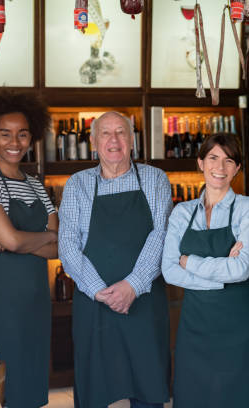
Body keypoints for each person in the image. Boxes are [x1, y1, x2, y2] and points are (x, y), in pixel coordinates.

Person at [58, 111, 171, 408]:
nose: (114, 140)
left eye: (121, 132)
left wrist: (132, 285)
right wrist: (101, 291)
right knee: (94, 389)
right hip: (95, 302)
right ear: (94, 142)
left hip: (144, 301)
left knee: (148, 387)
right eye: (105, 133)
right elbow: (68, 245)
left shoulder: (154, 178)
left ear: (132, 140)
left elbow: (161, 235)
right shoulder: (78, 184)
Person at [162, 133, 249, 408]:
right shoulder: (181, 212)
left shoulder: (246, 208)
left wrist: (189, 262)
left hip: (241, 328)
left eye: (229, 160)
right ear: (200, 162)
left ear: (237, 168)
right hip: (195, 329)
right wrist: (220, 272)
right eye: (213, 158)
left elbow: (239, 269)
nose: (220, 167)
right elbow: (168, 270)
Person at [0, 91, 58, 408]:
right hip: (0, 299)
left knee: (31, 377)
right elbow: (11, 240)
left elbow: (57, 245)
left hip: (36, 297)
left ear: (31, 136)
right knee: (1, 380)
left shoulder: (34, 183)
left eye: (22, 134)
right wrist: (40, 236)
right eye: (5, 134)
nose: (14, 142)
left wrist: (22, 241)